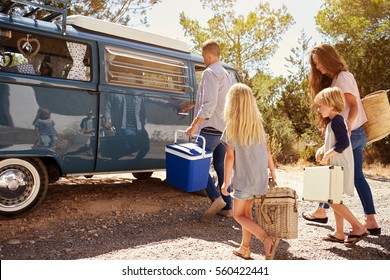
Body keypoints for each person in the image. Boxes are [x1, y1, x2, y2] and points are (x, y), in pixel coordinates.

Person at [302, 43, 381, 235]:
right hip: (358, 132)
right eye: (316, 65)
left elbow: (353, 105)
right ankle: (371, 220)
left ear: (330, 58)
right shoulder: (339, 78)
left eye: (320, 63)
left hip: (351, 133)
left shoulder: (343, 78)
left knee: (331, 174)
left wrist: (346, 127)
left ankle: (323, 210)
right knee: (356, 177)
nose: (319, 68)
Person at [220, 83, 278, 260]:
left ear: (232, 103)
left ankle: (266, 238)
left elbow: (230, 157)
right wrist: (273, 174)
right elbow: (267, 151)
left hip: (244, 180)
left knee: (238, 215)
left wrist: (225, 182)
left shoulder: (231, 127)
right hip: (259, 179)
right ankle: (244, 247)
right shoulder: (258, 126)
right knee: (247, 213)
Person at [181, 39, 233, 219]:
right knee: (219, 166)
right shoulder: (226, 74)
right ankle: (228, 207)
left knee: (197, 164)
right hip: (223, 128)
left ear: (209, 55)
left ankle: (216, 197)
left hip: (210, 127)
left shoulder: (209, 72)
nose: (203, 59)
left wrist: (193, 124)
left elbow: (209, 105)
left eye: (203, 56)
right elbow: (216, 98)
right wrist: (193, 104)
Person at [312, 87, 369, 244]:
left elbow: (343, 143)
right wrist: (322, 149)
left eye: (320, 105)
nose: (318, 109)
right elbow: (335, 141)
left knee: (332, 199)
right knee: (335, 198)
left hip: (340, 166)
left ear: (331, 104)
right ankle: (338, 232)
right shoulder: (334, 122)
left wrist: (327, 155)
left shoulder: (337, 121)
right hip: (337, 165)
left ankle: (358, 227)